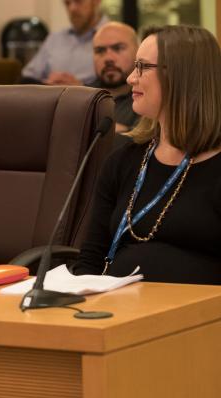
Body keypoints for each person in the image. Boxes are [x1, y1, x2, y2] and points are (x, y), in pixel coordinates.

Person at [73, 25, 221, 284]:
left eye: (142, 67)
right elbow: (91, 259)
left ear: (180, 76)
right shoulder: (122, 161)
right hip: (114, 312)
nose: (131, 78)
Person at [21, 0, 108, 85]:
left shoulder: (114, 38)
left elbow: (116, 87)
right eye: (67, 3)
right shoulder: (55, 38)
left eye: (78, 1)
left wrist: (81, 89)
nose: (72, 8)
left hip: (91, 98)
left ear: (97, 1)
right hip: (50, 96)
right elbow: (27, 77)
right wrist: (47, 86)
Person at [90, 21, 139, 133]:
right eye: (100, 51)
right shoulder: (82, 97)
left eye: (118, 48)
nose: (108, 58)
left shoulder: (150, 98)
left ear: (138, 50)